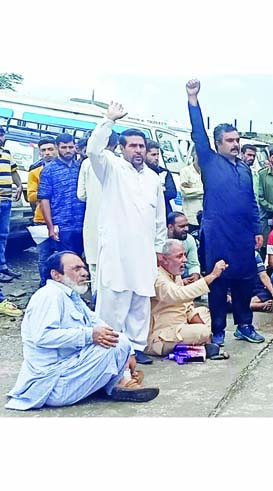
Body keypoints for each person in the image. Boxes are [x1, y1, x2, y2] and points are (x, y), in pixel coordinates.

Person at [5, 252, 159, 410]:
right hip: (53, 384)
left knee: (118, 340)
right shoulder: (49, 296)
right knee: (113, 345)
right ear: (56, 275)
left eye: (84, 268)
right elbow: (42, 336)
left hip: (70, 370)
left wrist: (129, 353)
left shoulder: (72, 297)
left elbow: (100, 325)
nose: (84, 273)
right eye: (77, 269)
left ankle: (120, 381)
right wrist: (89, 335)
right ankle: (120, 382)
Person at [186, 79, 264, 346]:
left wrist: (257, 231)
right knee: (218, 283)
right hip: (217, 234)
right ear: (218, 144)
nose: (235, 144)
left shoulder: (245, 169)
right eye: (230, 140)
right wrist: (193, 100)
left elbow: (251, 202)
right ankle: (218, 331)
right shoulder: (209, 162)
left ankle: (245, 325)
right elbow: (198, 134)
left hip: (243, 236)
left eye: (237, 140)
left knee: (244, 281)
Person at [88, 102, 167, 365]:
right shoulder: (110, 168)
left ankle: (136, 347)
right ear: (122, 149)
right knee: (114, 299)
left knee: (140, 300)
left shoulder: (153, 178)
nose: (138, 150)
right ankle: (110, 347)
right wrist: (108, 120)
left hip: (144, 252)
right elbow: (93, 150)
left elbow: (159, 219)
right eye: (132, 146)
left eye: (141, 146)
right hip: (117, 250)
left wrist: (158, 248)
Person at [147, 239, 228, 357]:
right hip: (162, 336)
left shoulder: (175, 274)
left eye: (184, 255)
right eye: (179, 256)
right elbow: (180, 294)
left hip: (181, 325)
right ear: (164, 259)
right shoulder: (158, 278)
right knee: (202, 331)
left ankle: (199, 342)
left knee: (204, 312)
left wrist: (204, 331)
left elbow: (187, 306)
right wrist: (212, 276)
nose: (185, 260)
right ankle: (197, 343)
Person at [36, 133, 86, 287]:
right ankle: (57, 291)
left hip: (81, 224)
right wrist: (50, 227)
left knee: (79, 260)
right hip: (61, 225)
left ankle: (77, 292)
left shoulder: (82, 168)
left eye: (71, 147)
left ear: (75, 148)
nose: (68, 150)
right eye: (64, 147)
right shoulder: (49, 171)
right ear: (58, 148)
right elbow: (44, 199)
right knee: (65, 262)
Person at [77, 130, 118, 282]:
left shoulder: (86, 163)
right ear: (116, 144)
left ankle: (96, 302)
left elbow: (81, 195)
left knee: (94, 267)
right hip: (115, 222)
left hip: (92, 220)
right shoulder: (122, 164)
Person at [0, 127, 24, 281]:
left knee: (3, 235)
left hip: (6, 201)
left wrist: (20, 185)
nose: (1, 137)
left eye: (2, 135)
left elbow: (13, 172)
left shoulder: (6, 153)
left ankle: (2, 267)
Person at [144, 139, 177, 217]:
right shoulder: (137, 172)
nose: (156, 157)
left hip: (163, 212)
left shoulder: (164, 173)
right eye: (153, 155)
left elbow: (172, 193)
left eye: (157, 154)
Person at [167, 212, 201, 284]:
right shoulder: (160, 241)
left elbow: (193, 264)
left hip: (182, 272)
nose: (187, 229)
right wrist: (180, 282)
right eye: (182, 226)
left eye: (187, 225)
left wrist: (195, 275)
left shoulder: (189, 239)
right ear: (170, 227)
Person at [27, 137, 57, 215]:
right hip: (41, 217)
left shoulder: (67, 170)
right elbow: (31, 196)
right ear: (40, 153)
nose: (47, 153)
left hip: (63, 218)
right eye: (43, 150)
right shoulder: (34, 172)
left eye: (50, 149)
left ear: (57, 150)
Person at [178, 148, 203, 231]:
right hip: (190, 218)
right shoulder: (185, 171)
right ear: (193, 155)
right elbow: (185, 192)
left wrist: (194, 190)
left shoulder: (208, 172)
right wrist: (205, 190)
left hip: (205, 217)